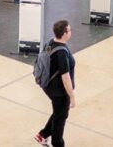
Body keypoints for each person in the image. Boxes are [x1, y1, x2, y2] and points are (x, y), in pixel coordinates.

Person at [34, 19, 76, 147]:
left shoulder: (50, 43)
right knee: (60, 118)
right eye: (69, 30)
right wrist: (72, 96)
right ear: (64, 33)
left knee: (59, 112)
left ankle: (43, 134)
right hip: (59, 91)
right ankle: (58, 144)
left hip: (48, 86)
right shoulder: (62, 53)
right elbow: (65, 77)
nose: (71, 32)